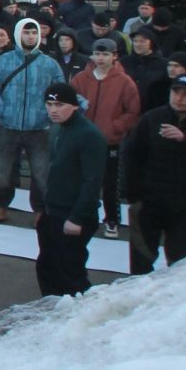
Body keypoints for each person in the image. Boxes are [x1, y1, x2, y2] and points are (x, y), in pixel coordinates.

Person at [120, 72, 186, 273]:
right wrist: (132, 195)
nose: (179, 98)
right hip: (149, 202)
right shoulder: (151, 119)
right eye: (175, 92)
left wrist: (185, 140)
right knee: (141, 260)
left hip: (185, 207)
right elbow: (132, 156)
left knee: (181, 264)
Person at [0, 18, 63, 222]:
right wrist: (2, 111)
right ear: (19, 35)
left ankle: (40, 209)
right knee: (2, 169)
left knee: (41, 172)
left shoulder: (49, 64)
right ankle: (0, 205)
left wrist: (48, 114)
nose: (30, 36)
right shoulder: (4, 60)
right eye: (26, 33)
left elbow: (60, 91)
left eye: (34, 33)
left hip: (39, 127)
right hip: (8, 125)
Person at [35, 82, 106, 297]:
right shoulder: (58, 129)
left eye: (59, 104)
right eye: (49, 104)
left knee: (70, 272)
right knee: (47, 266)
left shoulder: (89, 135)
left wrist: (77, 217)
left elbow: (92, 181)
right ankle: (51, 309)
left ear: (74, 106)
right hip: (53, 211)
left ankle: (80, 315)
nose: (53, 110)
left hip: (73, 214)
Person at [71, 39, 142, 237]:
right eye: (97, 54)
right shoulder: (81, 78)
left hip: (109, 140)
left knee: (110, 183)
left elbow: (132, 111)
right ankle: (82, 214)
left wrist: (116, 127)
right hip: (83, 139)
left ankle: (112, 219)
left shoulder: (124, 81)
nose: (100, 58)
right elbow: (70, 102)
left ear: (114, 56)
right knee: (81, 179)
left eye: (105, 54)